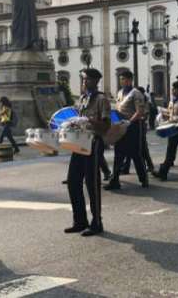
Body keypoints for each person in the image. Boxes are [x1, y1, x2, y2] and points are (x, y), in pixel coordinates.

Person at [65, 68, 110, 237]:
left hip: (93, 142)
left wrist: (89, 120)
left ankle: (97, 222)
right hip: (79, 142)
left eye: (86, 80)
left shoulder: (101, 100)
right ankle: (80, 221)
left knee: (92, 184)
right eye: (83, 80)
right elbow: (79, 120)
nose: (84, 83)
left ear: (95, 81)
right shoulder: (82, 99)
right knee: (72, 181)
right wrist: (73, 123)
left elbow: (106, 126)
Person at [105, 71, 149, 190]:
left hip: (133, 127)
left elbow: (139, 112)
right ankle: (115, 180)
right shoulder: (120, 93)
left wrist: (130, 121)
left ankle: (143, 178)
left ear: (130, 80)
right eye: (120, 79)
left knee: (136, 154)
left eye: (123, 79)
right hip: (121, 126)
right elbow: (119, 108)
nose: (121, 81)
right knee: (118, 154)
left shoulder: (136, 93)